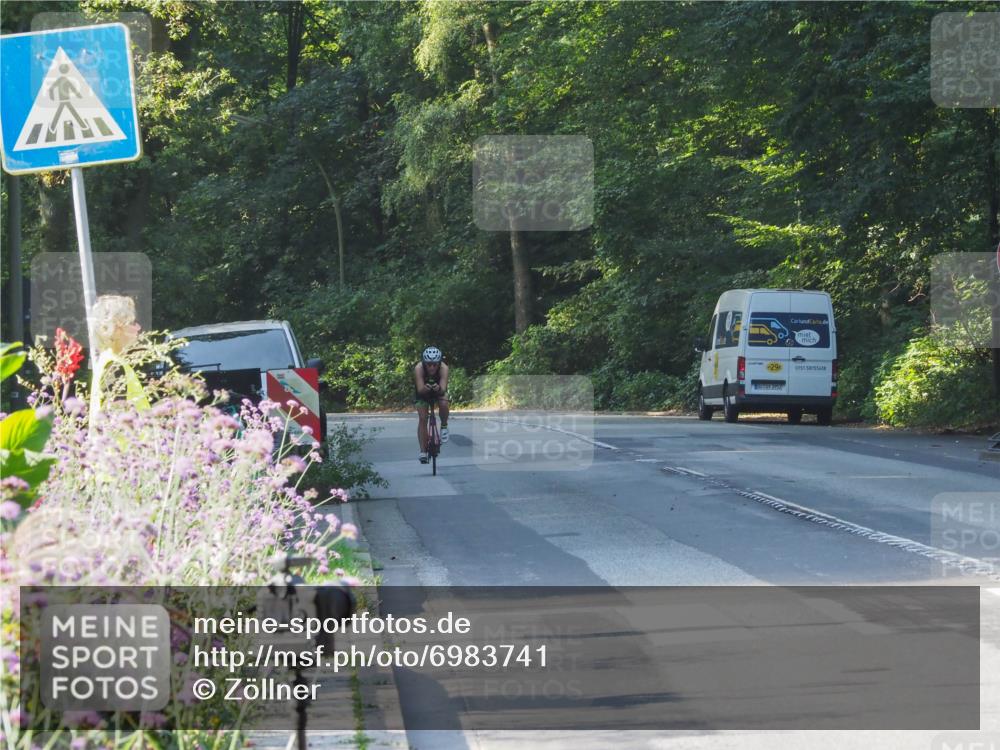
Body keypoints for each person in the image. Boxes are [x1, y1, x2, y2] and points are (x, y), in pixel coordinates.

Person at [89, 294, 149, 425]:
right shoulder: (113, 366)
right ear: (115, 329)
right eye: (132, 323)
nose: (138, 327)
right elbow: (114, 420)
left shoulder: (109, 360)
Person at [414, 346, 449, 464]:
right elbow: (419, 390)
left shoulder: (444, 368)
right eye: (429, 364)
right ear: (424, 363)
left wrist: (438, 389)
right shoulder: (419, 368)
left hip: (438, 391)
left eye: (435, 364)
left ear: (439, 363)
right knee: (423, 418)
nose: (432, 367)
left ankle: (444, 426)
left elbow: (443, 389)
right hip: (422, 393)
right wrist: (425, 389)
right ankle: (423, 451)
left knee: (444, 402)